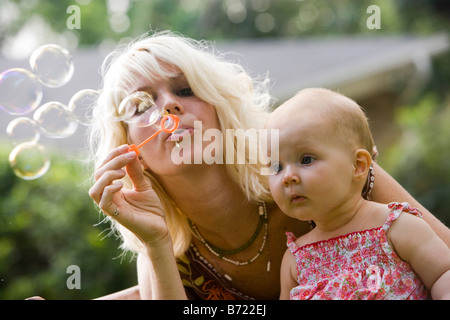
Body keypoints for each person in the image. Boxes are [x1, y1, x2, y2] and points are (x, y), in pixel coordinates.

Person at [88, 31, 450, 300]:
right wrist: (156, 242)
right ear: (128, 146)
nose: (168, 107)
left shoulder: (312, 166)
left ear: (221, 107)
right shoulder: (160, 241)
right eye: (141, 106)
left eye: (185, 90)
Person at [265, 88, 450, 300]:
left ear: (358, 165)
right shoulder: (296, 260)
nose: (288, 176)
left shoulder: (397, 228)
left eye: (306, 159)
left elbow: (443, 275)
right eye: (277, 166)